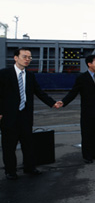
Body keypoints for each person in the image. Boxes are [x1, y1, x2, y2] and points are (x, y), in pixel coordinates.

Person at [0, 48, 61, 180]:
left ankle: (29, 167)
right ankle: (10, 171)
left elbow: (39, 92)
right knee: (9, 145)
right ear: (15, 58)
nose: (28, 59)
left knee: (28, 143)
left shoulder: (30, 76)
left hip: (25, 115)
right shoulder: (4, 74)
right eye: (24, 57)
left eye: (29, 57)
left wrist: (52, 103)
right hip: (9, 116)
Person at [61, 55, 95, 164]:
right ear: (89, 64)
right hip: (87, 111)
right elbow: (73, 92)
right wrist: (64, 101)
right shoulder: (82, 77)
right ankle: (87, 156)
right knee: (86, 134)